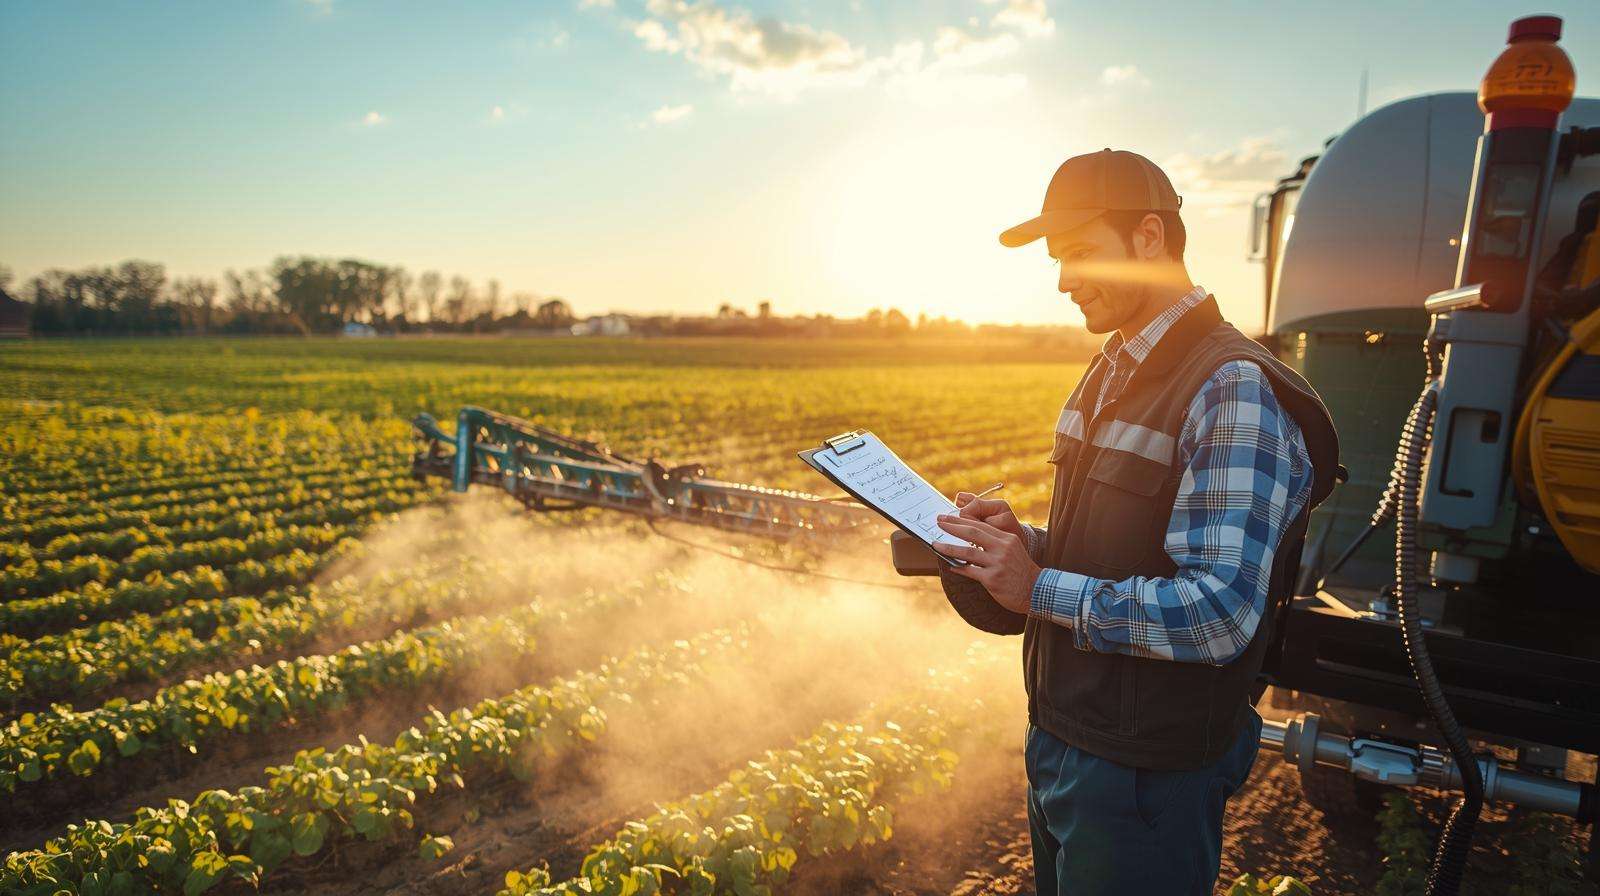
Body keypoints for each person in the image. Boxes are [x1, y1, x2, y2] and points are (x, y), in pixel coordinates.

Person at [930, 149, 1341, 895]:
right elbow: (1112, 549)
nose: (1063, 280)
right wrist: (1019, 545)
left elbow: (1220, 613)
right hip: (1065, 744)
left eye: (1081, 253)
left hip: (1148, 774)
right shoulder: (1109, 369)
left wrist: (1038, 589)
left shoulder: (1231, 388)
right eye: (1058, 259)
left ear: (1149, 239)